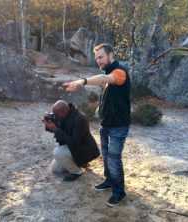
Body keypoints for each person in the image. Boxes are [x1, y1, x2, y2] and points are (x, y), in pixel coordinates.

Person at [63, 43, 131, 207]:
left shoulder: (119, 73)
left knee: (114, 160)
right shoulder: (107, 72)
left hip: (118, 127)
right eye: (96, 58)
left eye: (101, 57)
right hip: (105, 125)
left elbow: (103, 79)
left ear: (111, 55)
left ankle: (119, 192)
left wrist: (82, 81)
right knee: (107, 157)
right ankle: (109, 181)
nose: (98, 61)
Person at [43, 100, 100, 181]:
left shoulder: (80, 119)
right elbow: (61, 132)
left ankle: (76, 172)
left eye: (56, 114)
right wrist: (50, 126)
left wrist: (55, 129)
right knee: (55, 169)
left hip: (84, 149)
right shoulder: (63, 115)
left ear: (65, 111)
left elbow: (74, 143)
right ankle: (79, 164)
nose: (55, 116)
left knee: (58, 152)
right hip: (72, 147)